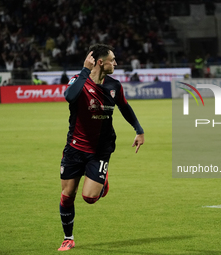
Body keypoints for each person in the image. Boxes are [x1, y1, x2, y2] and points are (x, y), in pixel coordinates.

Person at [58, 43, 145, 251]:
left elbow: (125, 107)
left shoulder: (114, 86)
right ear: (100, 62)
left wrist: (138, 130)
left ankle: (102, 179)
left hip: (100, 150)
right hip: (75, 148)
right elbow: (69, 97)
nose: (115, 63)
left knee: (88, 198)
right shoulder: (78, 81)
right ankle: (68, 238)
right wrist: (85, 70)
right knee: (67, 195)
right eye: (112, 59)